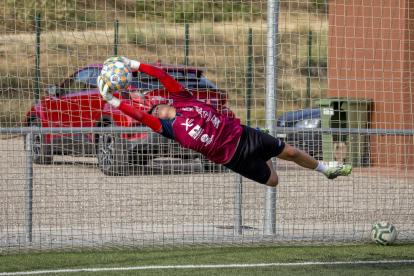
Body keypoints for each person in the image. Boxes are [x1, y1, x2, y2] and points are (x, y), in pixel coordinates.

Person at [98, 57, 353, 186]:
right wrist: (112, 100)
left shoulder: (183, 98)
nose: (155, 107)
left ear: (166, 102)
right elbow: (139, 115)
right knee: (274, 181)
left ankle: (326, 169)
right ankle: (267, 154)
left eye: (157, 103)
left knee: (292, 151)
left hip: (243, 134)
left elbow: (162, 74)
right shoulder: (169, 130)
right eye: (153, 109)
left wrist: (131, 63)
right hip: (234, 158)